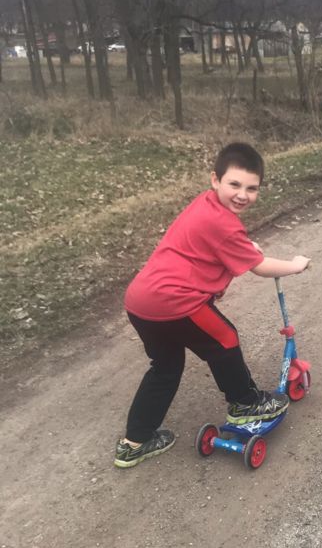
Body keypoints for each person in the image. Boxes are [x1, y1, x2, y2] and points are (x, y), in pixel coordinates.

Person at [115, 142, 310, 468]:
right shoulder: (224, 224)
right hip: (174, 301)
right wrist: (295, 265)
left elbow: (213, 243)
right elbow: (259, 266)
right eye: (234, 184)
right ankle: (245, 403)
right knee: (225, 339)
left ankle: (135, 441)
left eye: (252, 188)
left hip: (141, 302)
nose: (242, 195)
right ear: (215, 180)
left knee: (165, 367)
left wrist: (244, 246)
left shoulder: (204, 205)